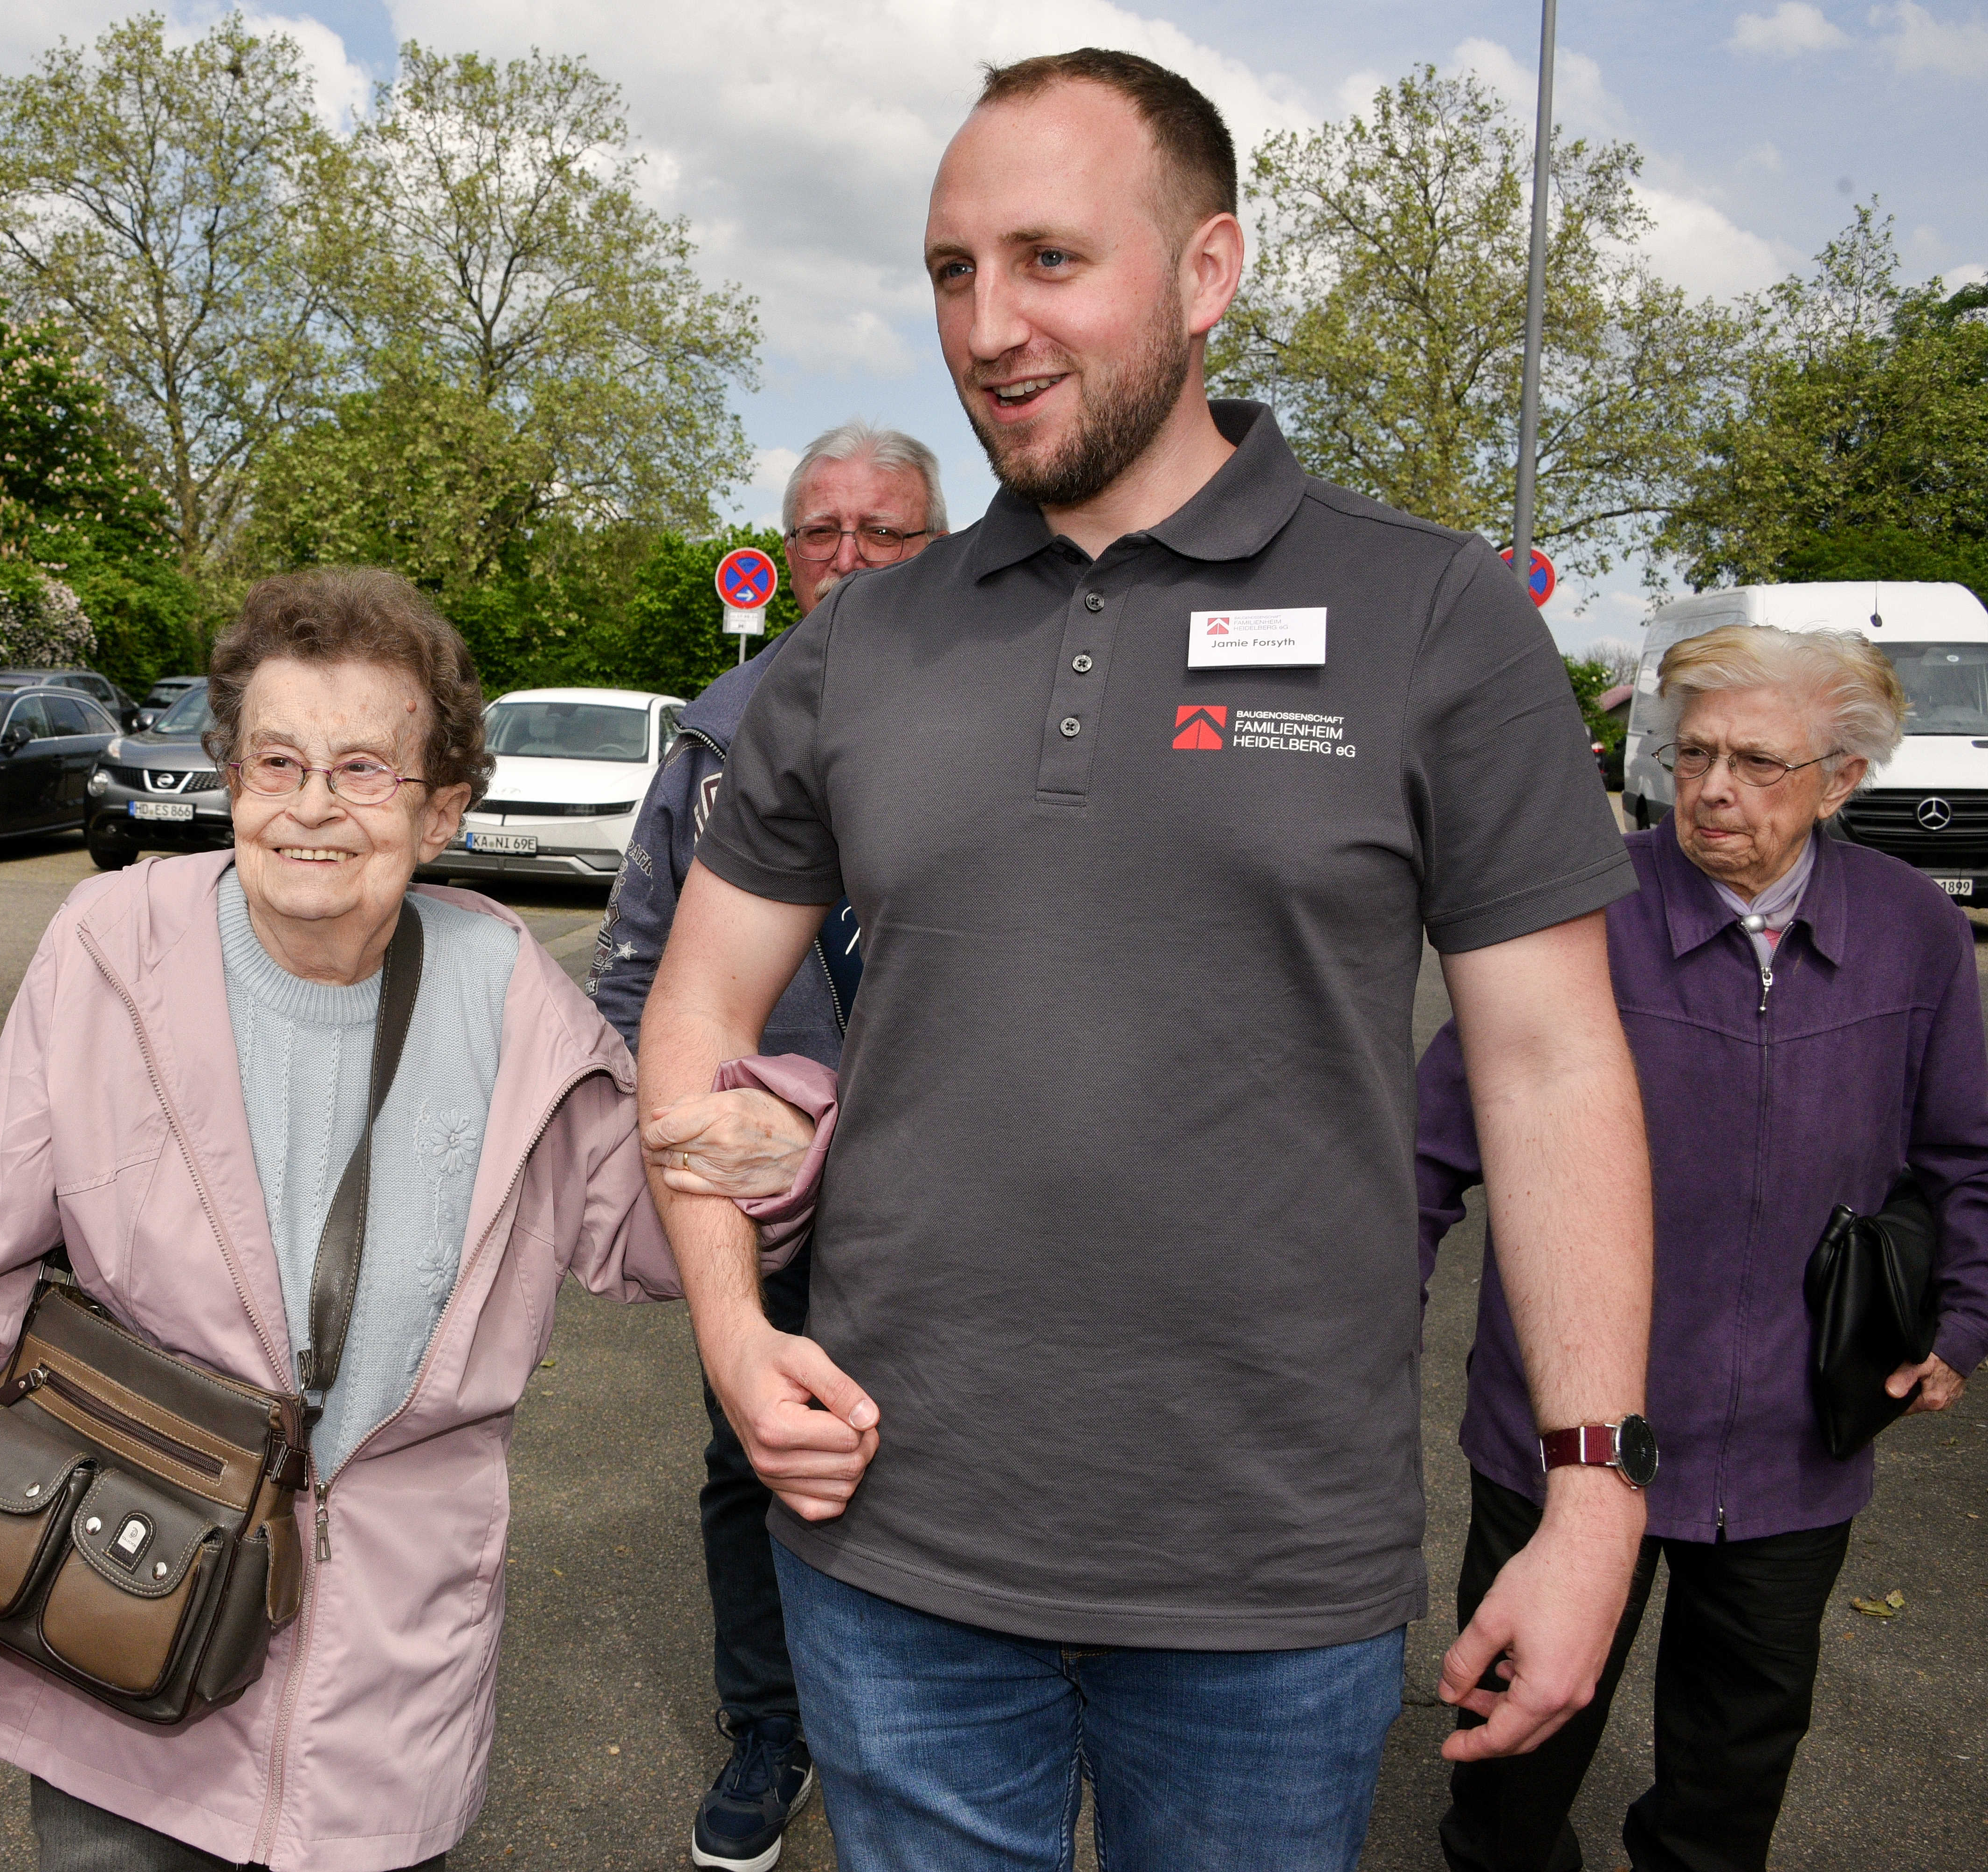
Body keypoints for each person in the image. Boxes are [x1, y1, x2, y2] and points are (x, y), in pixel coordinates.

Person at [635, 48, 1659, 1872]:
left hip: (1266, 1574)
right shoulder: (855, 649)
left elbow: (1551, 1066)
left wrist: (1591, 1492)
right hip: (888, 1542)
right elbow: (699, 1005)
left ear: (1206, 272)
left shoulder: (1433, 615)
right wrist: (731, 1329)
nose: (987, 326)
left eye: (1048, 259)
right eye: (951, 270)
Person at [0, 569, 818, 1872]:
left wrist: (772, 1153)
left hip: (385, 1672)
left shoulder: (508, 991)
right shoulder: (112, 946)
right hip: (124, 1598)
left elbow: (638, 1229)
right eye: (276, 762)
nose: (310, 807)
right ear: (230, 775)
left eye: (362, 770)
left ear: (443, 806)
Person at [1419, 623, 1988, 1872]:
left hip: (1792, 1443)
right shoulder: (1579, 909)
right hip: (1564, 1433)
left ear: (1841, 779)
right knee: (1512, 1760)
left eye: (1757, 762)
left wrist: (1961, 1321)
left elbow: (1966, 1157)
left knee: (1731, 1781)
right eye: (1693, 754)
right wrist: (1368, 1329)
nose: (1714, 787)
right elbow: (1426, 1147)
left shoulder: (1914, 931)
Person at [589, 418, 946, 1872]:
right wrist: (687, 1131)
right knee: (755, 1459)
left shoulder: (1005, 715)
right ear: (786, 551)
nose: (849, 556)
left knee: (950, 1459)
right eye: (820, 530)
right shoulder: (715, 736)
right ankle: (769, 1731)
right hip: (771, 1208)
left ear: (942, 545)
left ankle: (934, 1737)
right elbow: (632, 979)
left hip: (959, 1204)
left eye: (885, 530)